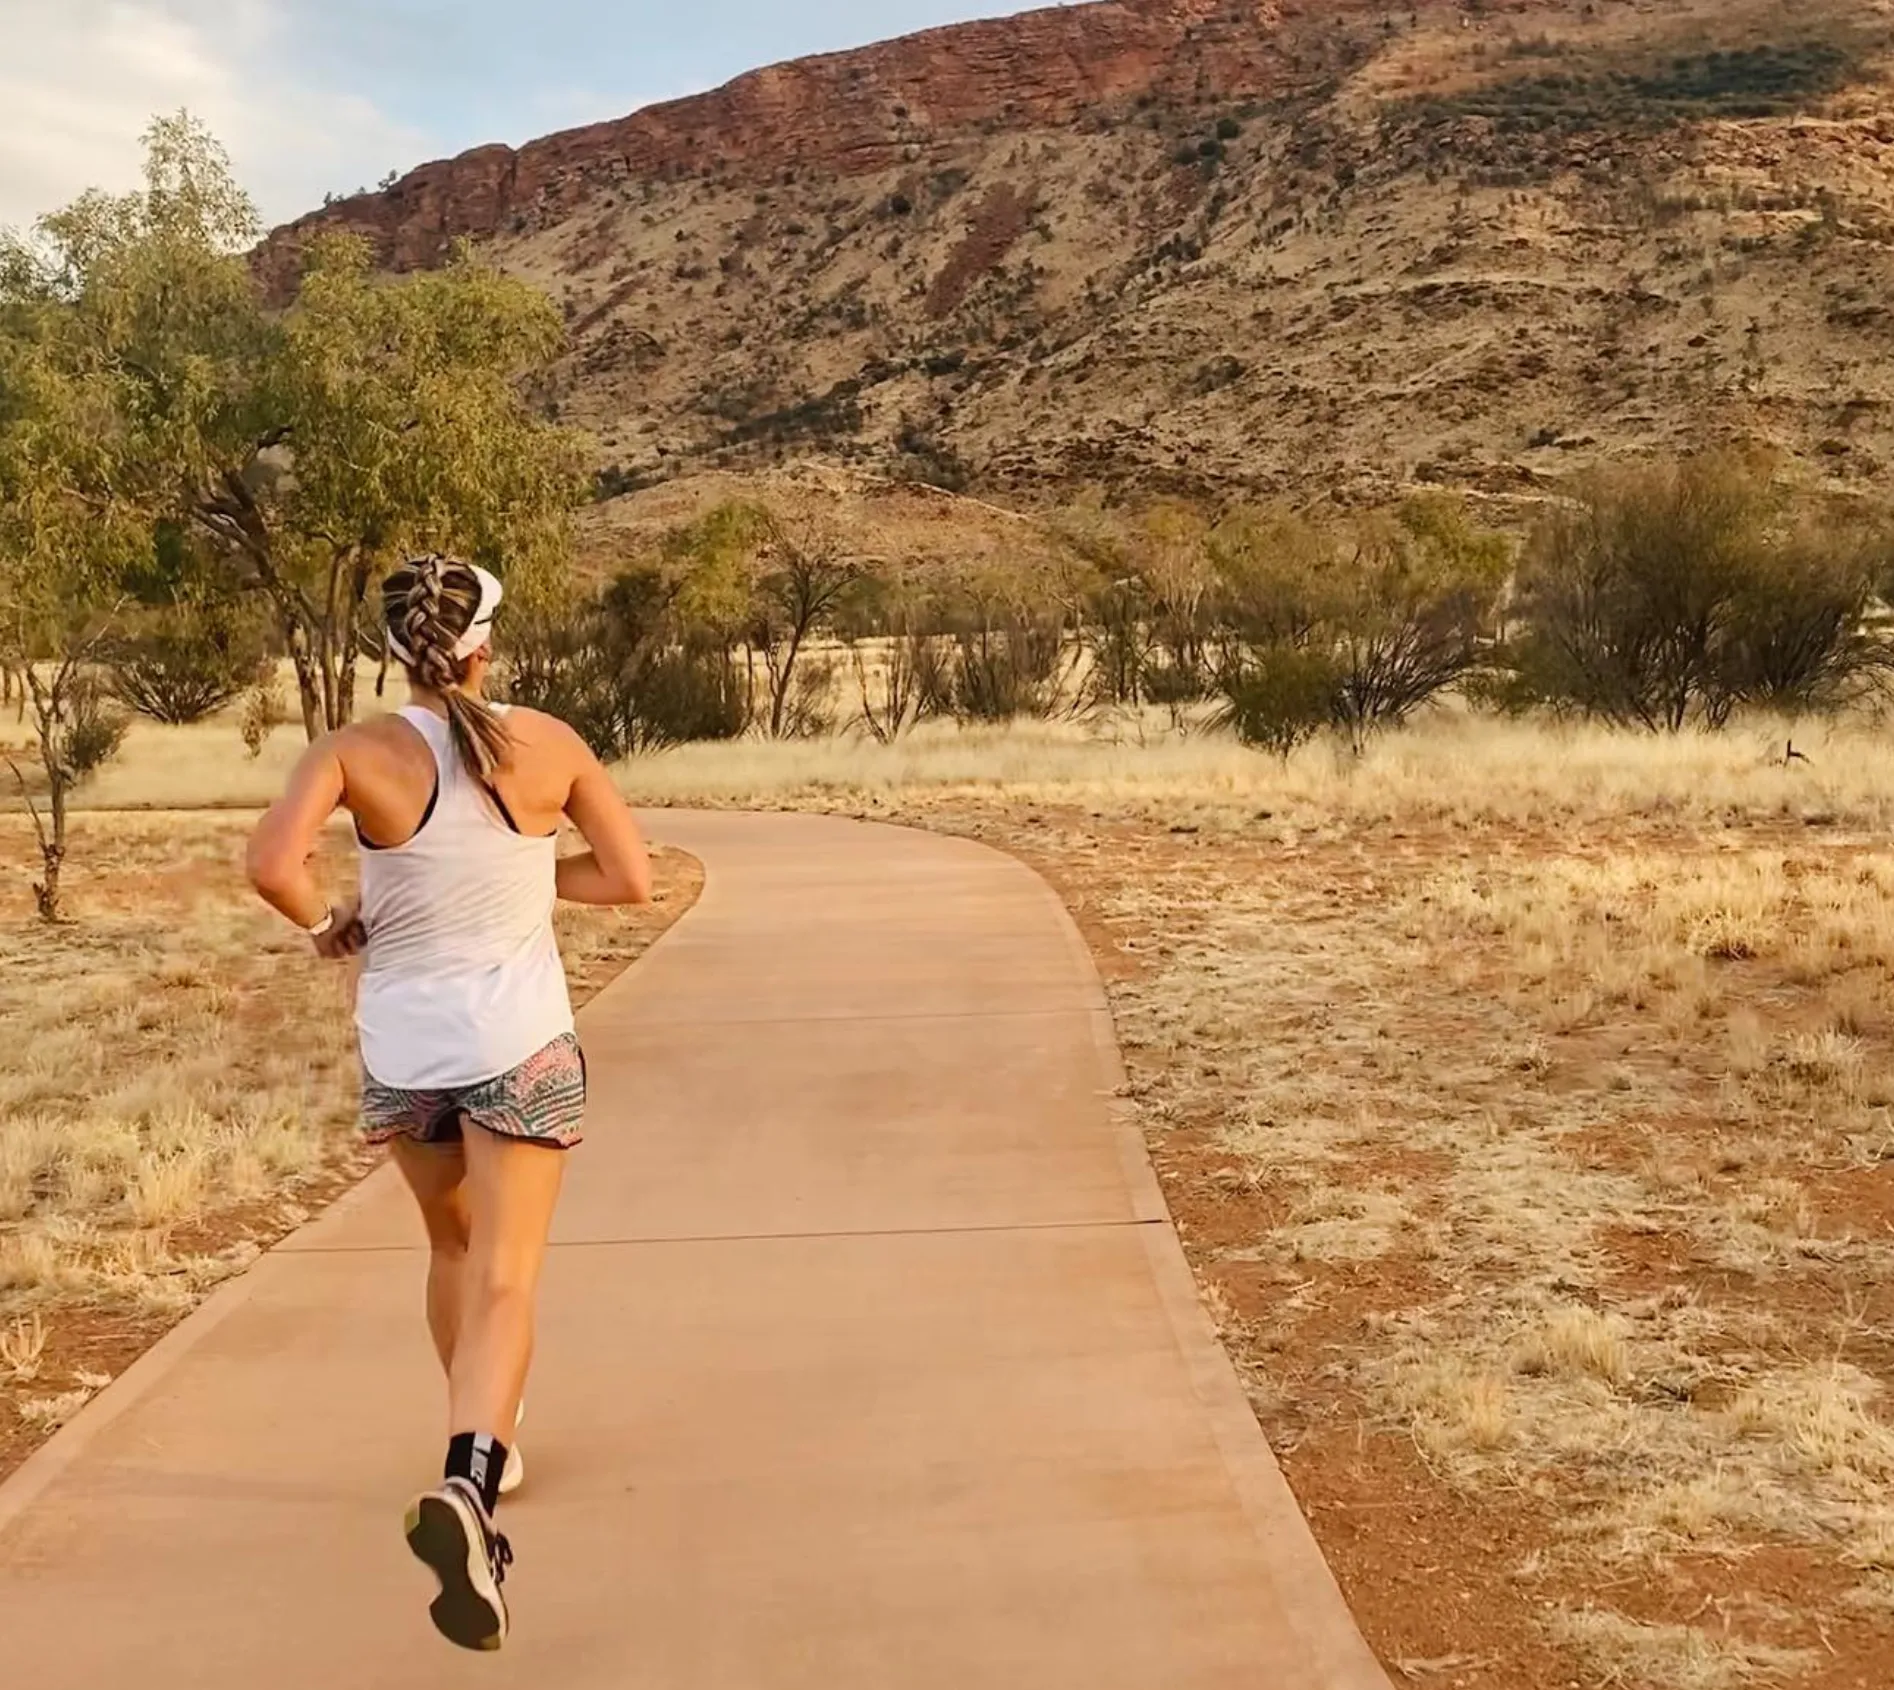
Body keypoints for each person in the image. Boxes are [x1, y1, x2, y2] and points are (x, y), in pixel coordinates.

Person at [246, 554, 652, 1652]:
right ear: (485, 646)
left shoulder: (351, 751)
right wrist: (526, 878)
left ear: (397, 650)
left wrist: (327, 920)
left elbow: (271, 864)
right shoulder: (549, 743)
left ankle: (488, 1445)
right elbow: (629, 878)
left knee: (452, 1247)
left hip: (406, 1050)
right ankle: (471, 1480)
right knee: (510, 1277)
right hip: (517, 1044)